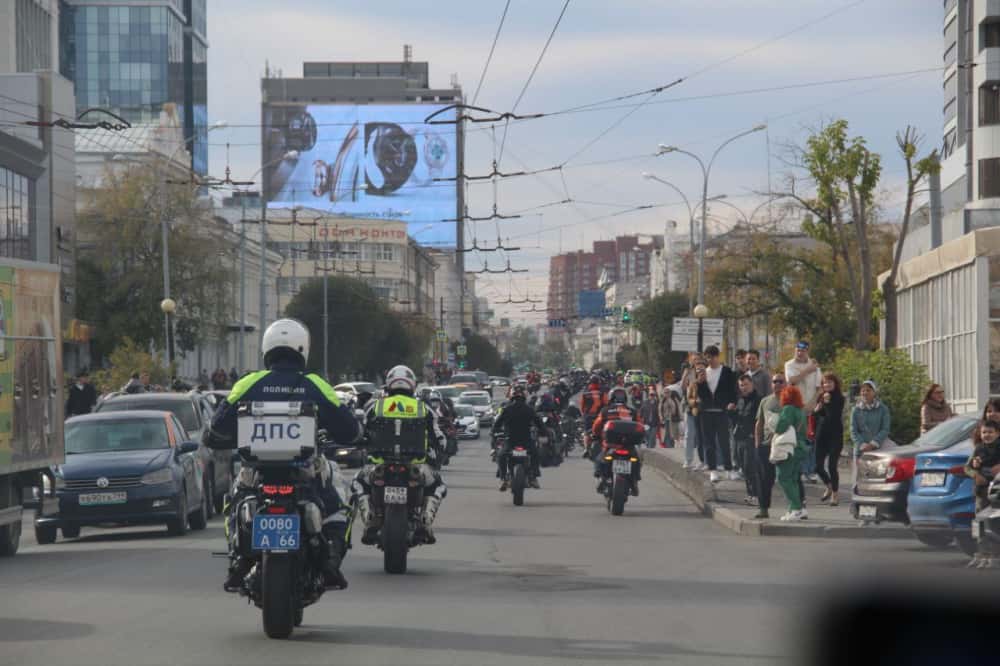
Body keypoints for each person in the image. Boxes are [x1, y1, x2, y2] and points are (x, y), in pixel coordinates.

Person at [205, 318, 362, 592]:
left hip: (257, 472)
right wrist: (354, 434)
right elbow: (348, 428)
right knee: (337, 507)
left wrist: (224, 436)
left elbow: (217, 427)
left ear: (267, 349)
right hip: (305, 471)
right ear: (302, 350)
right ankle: (330, 562)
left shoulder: (248, 382)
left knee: (234, 504)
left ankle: (238, 561)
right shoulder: (315, 384)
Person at [352, 365, 448, 546]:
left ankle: (369, 517)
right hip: (416, 466)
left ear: (389, 384)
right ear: (412, 385)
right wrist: (440, 450)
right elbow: (440, 438)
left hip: (378, 465)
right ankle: (425, 520)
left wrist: (360, 442)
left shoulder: (375, 406)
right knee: (439, 486)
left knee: (357, 482)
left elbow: (361, 432)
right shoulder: (424, 408)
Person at [697, 345, 738, 483]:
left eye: (711, 357)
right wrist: (700, 383)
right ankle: (713, 470)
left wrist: (732, 403)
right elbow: (701, 395)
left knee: (724, 441)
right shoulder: (703, 372)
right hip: (706, 412)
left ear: (717, 356)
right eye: (707, 357)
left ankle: (729, 469)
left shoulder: (727, 371)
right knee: (709, 443)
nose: (709, 360)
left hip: (722, 411)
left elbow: (733, 390)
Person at [492, 384, 546, 490]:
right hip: (526, 440)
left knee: (501, 456)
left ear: (512, 398)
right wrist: (543, 432)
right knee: (535, 453)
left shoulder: (507, 409)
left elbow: (497, 424)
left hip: (511, 440)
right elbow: (539, 424)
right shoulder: (529, 409)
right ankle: (533, 477)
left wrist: (495, 432)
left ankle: (503, 479)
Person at [591, 386, 642, 495]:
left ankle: (602, 478)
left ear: (611, 397)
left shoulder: (605, 410)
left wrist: (595, 435)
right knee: (637, 460)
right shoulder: (632, 411)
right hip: (628, 445)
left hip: (610, 445)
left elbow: (597, 425)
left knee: (599, 459)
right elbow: (640, 424)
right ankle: (635, 481)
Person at [966, 419, 1000, 568]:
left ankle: (994, 555)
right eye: (984, 432)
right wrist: (975, 474)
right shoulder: (978, 449)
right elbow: (967, 468)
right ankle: (981, 553)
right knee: (979, 524)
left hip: (996, 493)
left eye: (990, 432)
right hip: (981, 492)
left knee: (993, 524)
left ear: (997, 433)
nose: (987, 435)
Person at [773, 385, 809, 521]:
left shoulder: (788, 409)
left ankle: (796, 507)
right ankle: (795, 509)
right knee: (793, 478)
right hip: (800, 447)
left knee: (783, 477)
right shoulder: (800, 411)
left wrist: (774, 422)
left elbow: (780, 427)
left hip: (789, 447)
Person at [753, 373, 786, 519]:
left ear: (785, 384)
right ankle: (763, 508)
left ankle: (797, 507)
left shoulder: (790, 400)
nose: (777, 384)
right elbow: (759, 423)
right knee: (764, 478)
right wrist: (757, 443)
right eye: (774, 381)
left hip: (785, 445)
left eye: (780, 381)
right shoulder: (765, 401)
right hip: (766, 445)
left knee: (789, 477)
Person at [812, 373, 846, 506]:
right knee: (817, 466)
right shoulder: (821, 397)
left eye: (830, 382)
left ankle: (835, 494)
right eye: (825, 382)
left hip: (835, 435)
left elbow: (833, 416)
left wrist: (826, 403)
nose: (827, 385)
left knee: (832, 466)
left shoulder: (840, 398)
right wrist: (817, 410)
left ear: (835, 384)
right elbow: (817, 416)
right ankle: (829, 485)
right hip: (821, 435)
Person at [731, 374, 761, 506]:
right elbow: (737, 419)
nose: (744, 387)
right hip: (739, 437)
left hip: (751, 437)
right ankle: (750, 494)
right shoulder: (740, 400)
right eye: (741, 385)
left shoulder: (758, 400)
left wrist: (755, 435)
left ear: (752, 384)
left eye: (746, 384)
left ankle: (756, 495)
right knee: (743, 467)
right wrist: (731, 412)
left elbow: (758, 419)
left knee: (751, 467)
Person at [684, 359, 706, 470]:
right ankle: (690, 460)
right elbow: (689, 398)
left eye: (702, 369)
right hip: (694, 412)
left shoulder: (710, 382)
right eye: (698, 370)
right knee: (692, 436)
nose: (700, 371)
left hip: (707, 414)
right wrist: (695, 402)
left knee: (707, 438)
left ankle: (710, 461)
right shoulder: (693, 383)